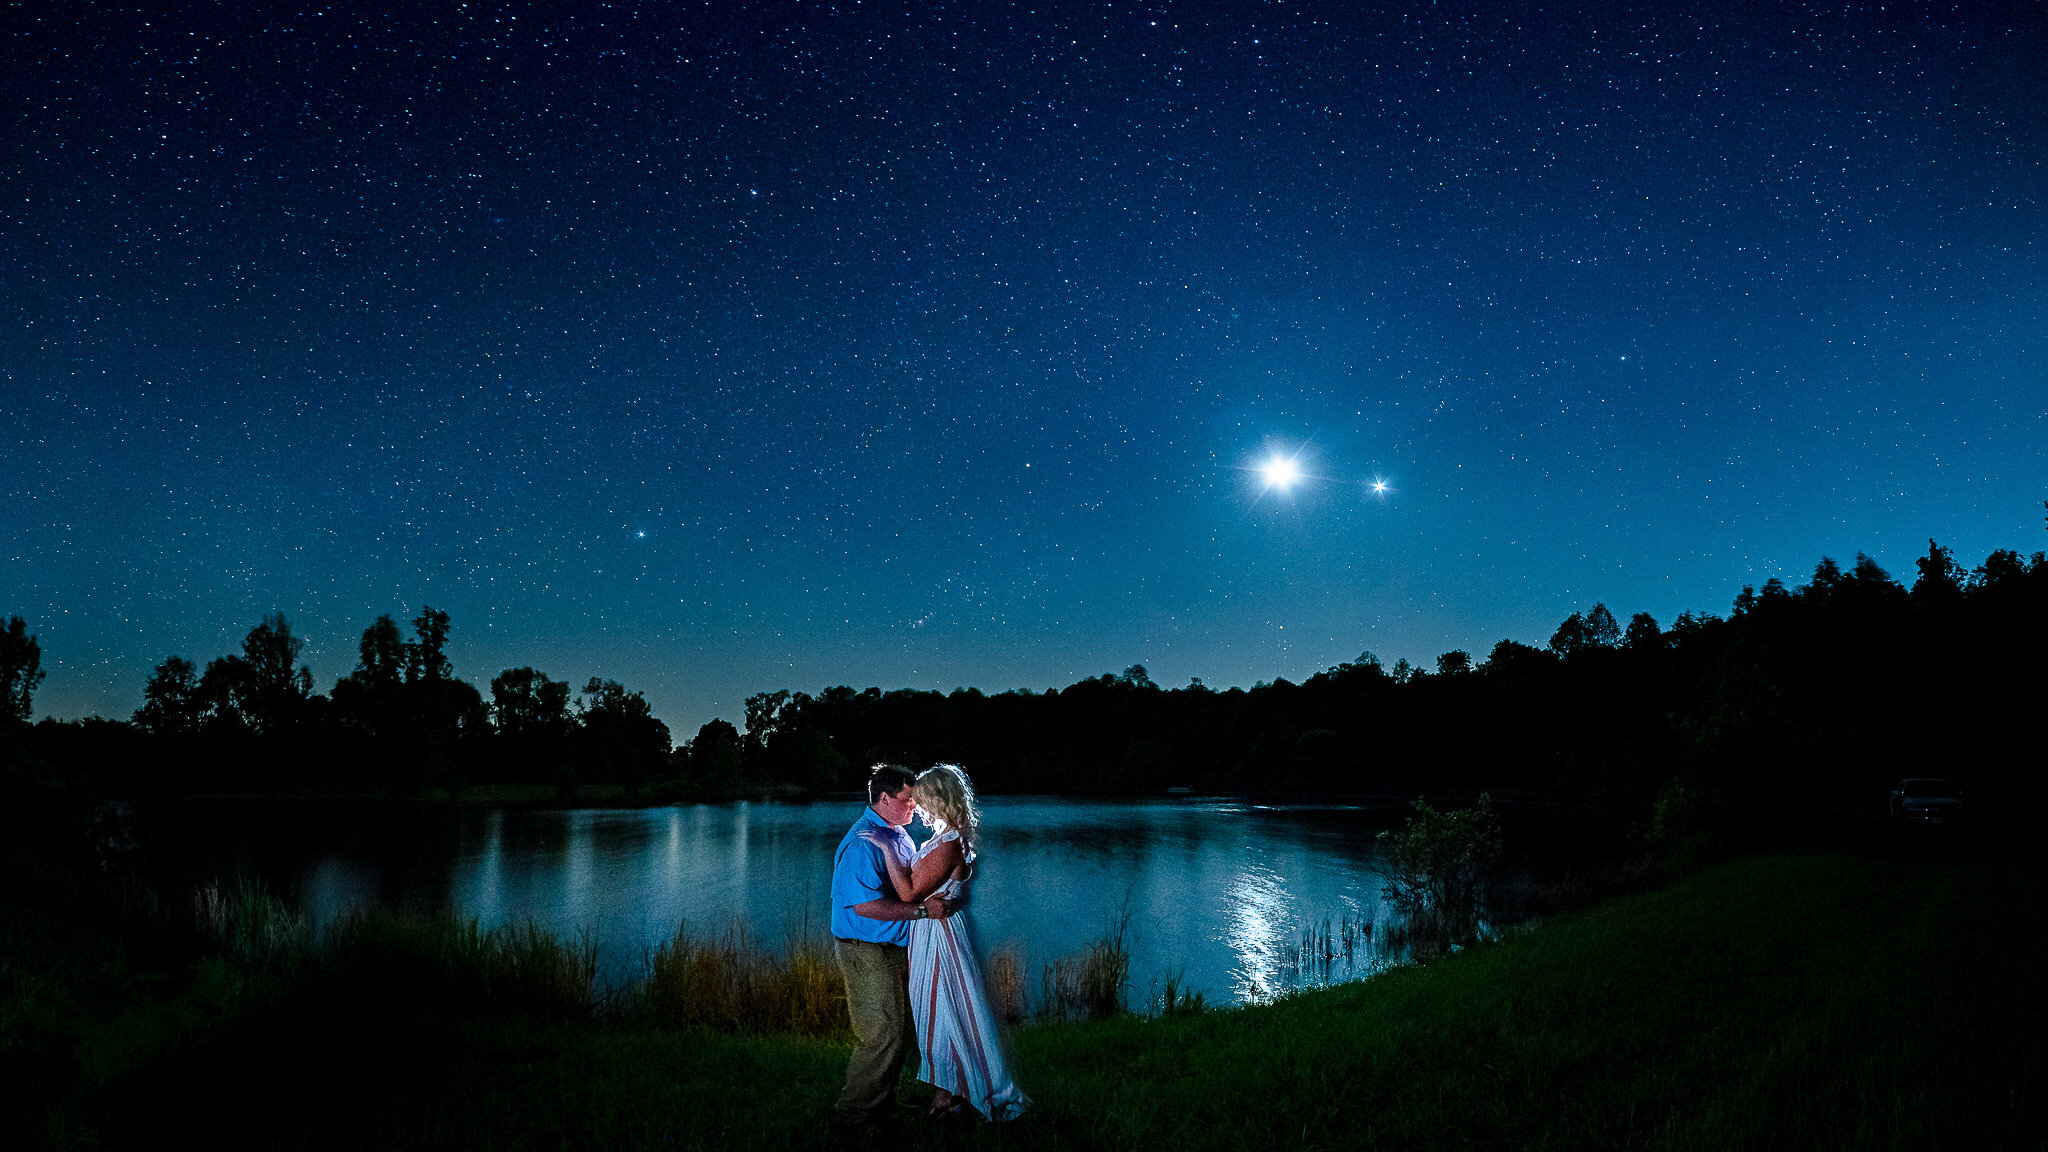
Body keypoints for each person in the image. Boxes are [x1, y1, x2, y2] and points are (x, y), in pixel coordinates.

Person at [861, 764, 1031, 1121]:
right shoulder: (945, 837)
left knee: (944, 1011)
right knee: (939, 1014)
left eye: (922, 802)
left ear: (939, 800)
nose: (918, 808)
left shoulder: (950, 841)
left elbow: (908, 892)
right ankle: (946, 1093)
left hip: (941, 939)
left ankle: (959, 1092)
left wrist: (886, 846)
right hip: (932, 933)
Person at [831, 764, 958, 1128]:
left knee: (901, 1030)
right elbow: (865, 907)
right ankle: (852, 1115)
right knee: (881, 1034)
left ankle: (883, 1106)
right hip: (865, 949)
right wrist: (921, 912)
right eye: (908, 799)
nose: (914, 807)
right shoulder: (863, 842)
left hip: (892, 947)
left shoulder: (895, 832)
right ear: (884, 798)